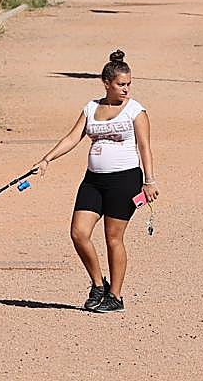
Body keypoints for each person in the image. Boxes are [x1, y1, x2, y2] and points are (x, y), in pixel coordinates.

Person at [34, 49, 158, 313]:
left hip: (125, 180)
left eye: (129, 84)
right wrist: (46, 159)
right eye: (120, 84)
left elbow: (145, 147)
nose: (126, 89)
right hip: (93, 181)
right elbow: (71, 138)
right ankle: (97, 284)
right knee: (79, 233)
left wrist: (149, 181)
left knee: (113, 238)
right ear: (107, 83)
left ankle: (116, 295)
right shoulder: (91, 108)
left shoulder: (135, 111)